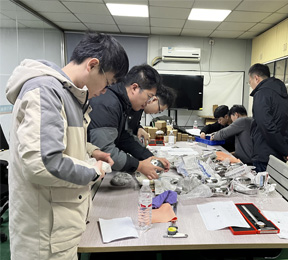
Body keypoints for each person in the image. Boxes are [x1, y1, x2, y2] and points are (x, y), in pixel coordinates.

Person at [5, 33, 129, 260]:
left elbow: (62, 142)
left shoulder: (70, 95)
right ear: (93, 65)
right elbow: (44, 163)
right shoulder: (46, 91)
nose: (105, 91)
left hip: (59, 223)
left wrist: (91, 151)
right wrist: (95, 171)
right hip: (43, 232)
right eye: (108, 82)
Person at [88, 64, 170, 180]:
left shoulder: (121, 102)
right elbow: (105, 150)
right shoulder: (108, 104)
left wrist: (150, 158)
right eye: (149, 96)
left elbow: (122, 138)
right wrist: (140, 166)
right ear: (134, 88)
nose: (148, 102)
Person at [249, 63, 288, 172]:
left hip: (264, 156)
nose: (251, 85)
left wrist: (285, 151)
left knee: (262, 188)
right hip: (279, 156)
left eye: (250, 82)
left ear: (256, 78)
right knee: (273, 187)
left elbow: (266, 126)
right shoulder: (285, 97)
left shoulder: (261, 94)